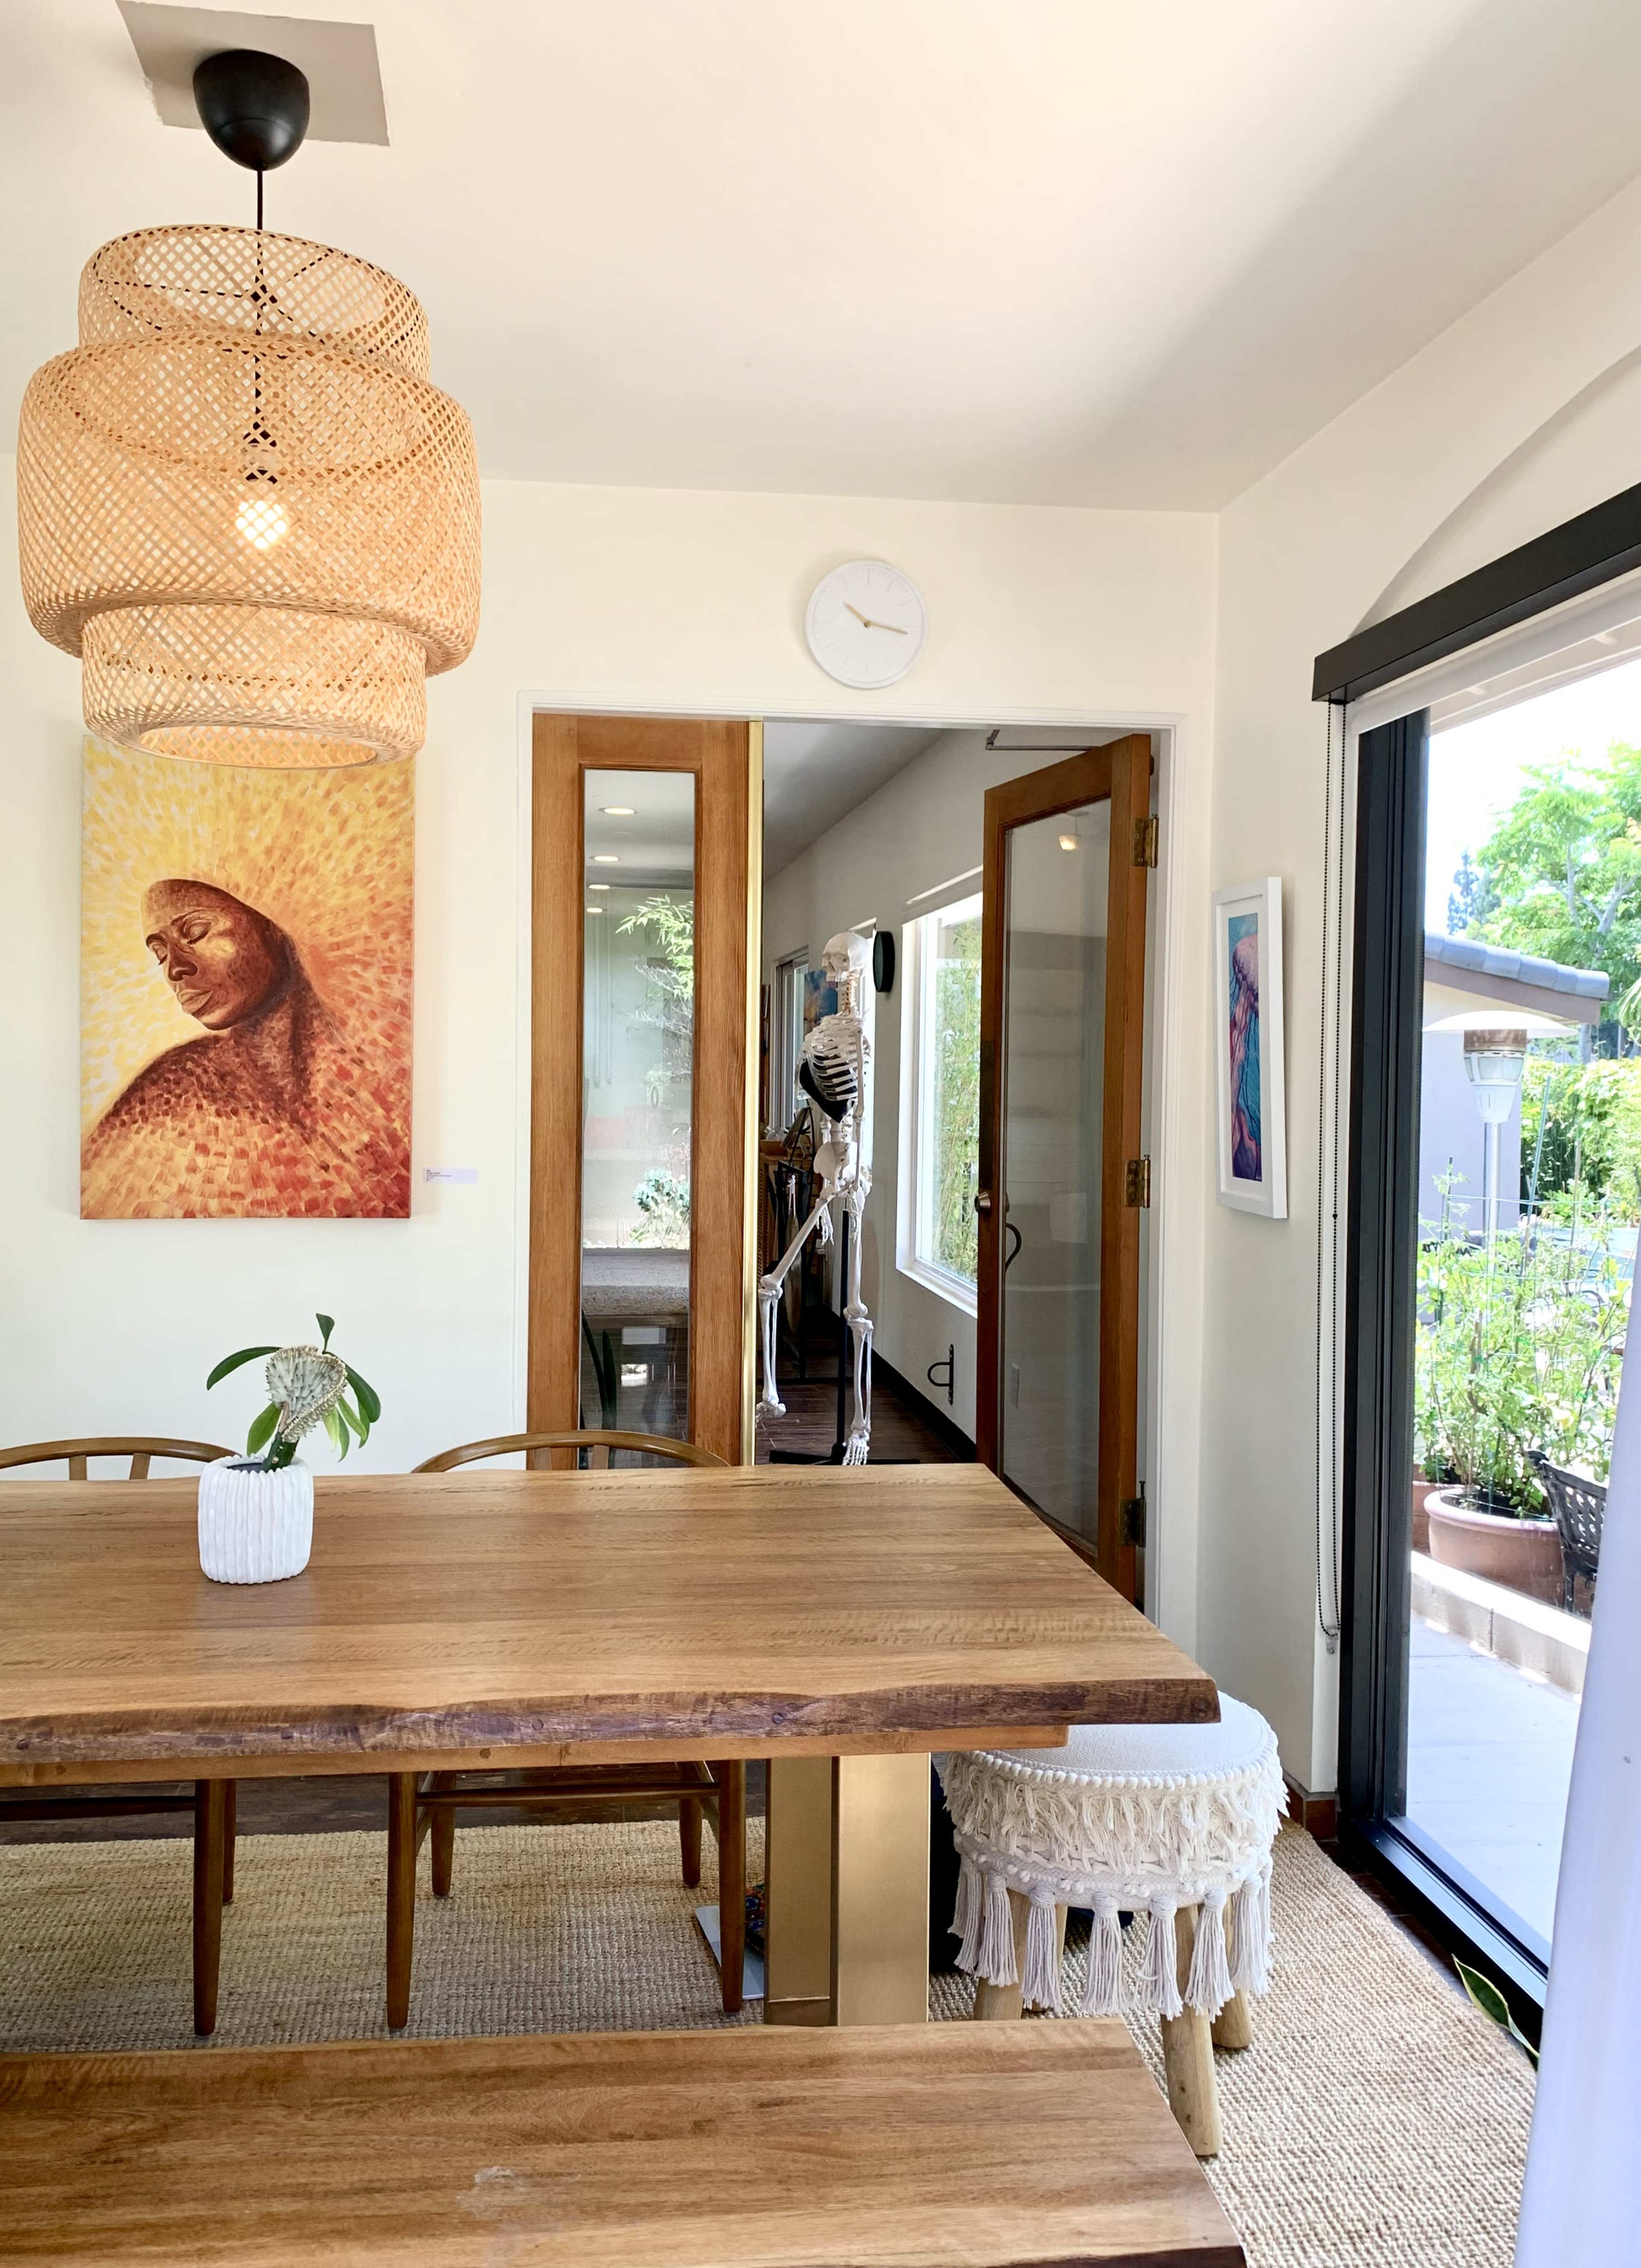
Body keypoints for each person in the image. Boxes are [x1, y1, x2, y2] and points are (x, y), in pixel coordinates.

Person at [82, 878, 408, 1218]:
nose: (176, 968)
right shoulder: (167, 1095)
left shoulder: (385, 1072)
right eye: (160, 954)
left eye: (196, 932)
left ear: (271, 925)